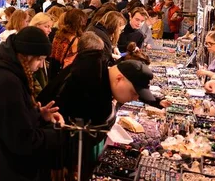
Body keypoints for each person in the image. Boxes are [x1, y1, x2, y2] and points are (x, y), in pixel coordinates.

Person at [41, 45, 156, 180]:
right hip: (55, 160)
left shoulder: (96, 78)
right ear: (119, 78)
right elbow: (68, 129)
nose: (135, 98)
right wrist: (62, 164)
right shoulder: (90, 89)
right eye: (134, 93)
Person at [0, 26, 65, 181]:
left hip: (2, 167)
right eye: (39, 59)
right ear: (26, 56)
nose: (41, 65)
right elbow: (22, 140)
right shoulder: (7, 82)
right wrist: (58, 135)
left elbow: (11, 122)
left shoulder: (6, 73)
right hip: (9, 171)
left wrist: (38, 115)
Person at [49, 9, 88, 79]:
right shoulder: (75, 40)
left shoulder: (58, 35)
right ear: (79, 22)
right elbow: (70, 64)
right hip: (65, 76)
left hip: (54, 72)